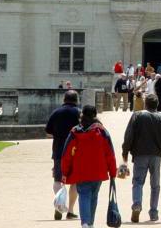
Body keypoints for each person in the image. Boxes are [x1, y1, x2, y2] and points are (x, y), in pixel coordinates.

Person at [61, 105, 117, 228]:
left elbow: (66, 155)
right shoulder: (102, 132)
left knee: (84, 195)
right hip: (98, 171)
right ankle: (90, 222)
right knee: (93, 196)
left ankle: (86, 222)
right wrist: (113, 171)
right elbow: (110, 154)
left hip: (81, 171)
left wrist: (64, 172)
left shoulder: (75, 132)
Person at [121, 93, 161, 223]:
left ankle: (137, 204)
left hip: (140, 154)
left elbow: (129, 135)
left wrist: (125, 152)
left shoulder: (137, 115)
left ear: (145, 104)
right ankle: (153, 212)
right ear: (157, 105)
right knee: (155, 185)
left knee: (138, 182)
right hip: (156, 156)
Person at [46, 90, 81, 220]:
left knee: (57, 180)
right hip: (75, 152)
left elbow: (48, 132)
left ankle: (60, 204)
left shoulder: (56, 112)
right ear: (76, 100)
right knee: (75, 182)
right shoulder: (79, 113)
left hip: (59, 150)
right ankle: (70, 210)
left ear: (64, 99)